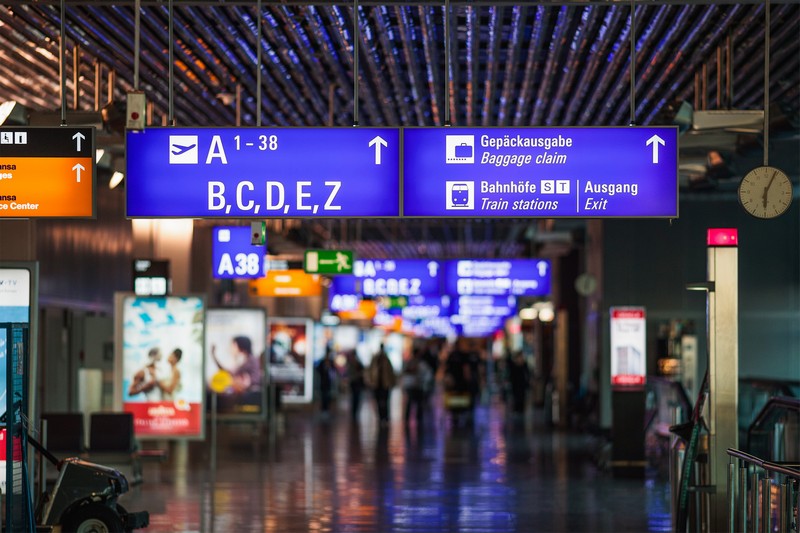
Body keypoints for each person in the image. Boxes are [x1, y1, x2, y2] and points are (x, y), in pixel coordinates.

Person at [367, 343, 396, 426]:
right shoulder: (376, 360)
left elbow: (390, 372)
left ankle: (385, 417)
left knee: (384, 401)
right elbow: (371, 371)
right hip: (377, 384)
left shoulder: (385, 360)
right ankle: (381, 417)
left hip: (384, 384)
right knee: (379, 401)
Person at [401, 349, 432, 427]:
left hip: (412, 386)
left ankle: (408, 419)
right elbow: (428, 375)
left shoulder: (410, 362)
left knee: (412, 403)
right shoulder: (420, 363)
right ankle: (417, 419)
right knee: (417, 403)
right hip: (417, 386)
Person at [507, 352, 531, 416]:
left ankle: (521, 409)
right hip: (515, 384)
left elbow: (527, 373)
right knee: (516, 397)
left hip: (522, 384)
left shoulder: (524, 364)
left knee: (522, 397)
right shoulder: (513, 365)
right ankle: (517, 409)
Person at [316, 346, 335, 416]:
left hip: (328, 383)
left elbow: (333, 371)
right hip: (323, 382)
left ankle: (326, 409)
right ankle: (323, 409)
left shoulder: (330, 362)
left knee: (327, 396)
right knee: (323, 396)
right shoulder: (322, 362)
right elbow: (318, 370)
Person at [346, 352, 365, 421]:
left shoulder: (357, 363)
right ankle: (354, 413)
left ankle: (355, 412)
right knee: (354, 398)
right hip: (354, 383)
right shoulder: (352, 364)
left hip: (356, 383)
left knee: (357, 398)